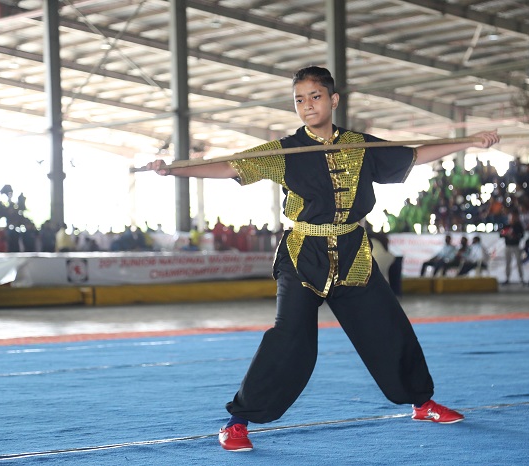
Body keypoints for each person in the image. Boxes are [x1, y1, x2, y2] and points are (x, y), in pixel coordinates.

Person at [146, 66, 500, 452]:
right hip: (303, 255)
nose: (307, 106)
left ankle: (421, 402)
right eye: (299, 99)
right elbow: (232, 165)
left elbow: (414, 155)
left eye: (315, 97)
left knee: (388, 327)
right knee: (291, 339)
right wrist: (175, 170)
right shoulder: (285, 151)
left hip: (352, 255)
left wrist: (467, 142)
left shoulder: (360, 145)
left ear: (333, 100)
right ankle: (238, 422)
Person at [500, 210, 525, 284]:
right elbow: (501, 234)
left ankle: (521, 278)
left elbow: (522, 235)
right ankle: (507, 278)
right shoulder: (506, 225)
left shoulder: (518, 226)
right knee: (508, 263)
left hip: (516, 246)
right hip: (508, 246)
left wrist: (515, 236)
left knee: (519, 262)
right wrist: (506, 234)